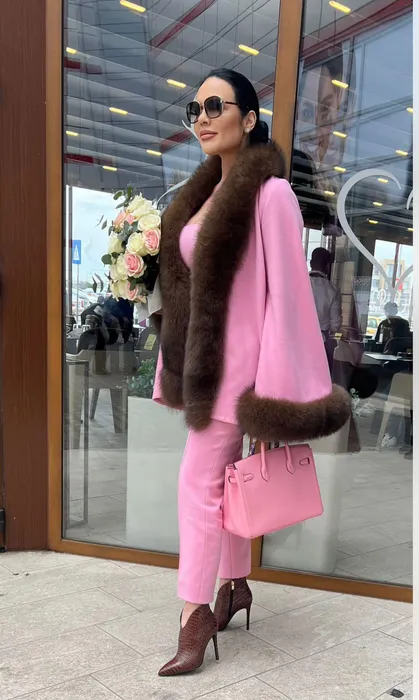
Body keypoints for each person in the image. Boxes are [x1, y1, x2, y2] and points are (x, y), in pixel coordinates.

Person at [153, 69, 350, 677]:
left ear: (249, 117)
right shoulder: (199, 197)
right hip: (205, 368)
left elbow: (286, 299)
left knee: (197, 484)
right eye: (195, 109)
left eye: (216, 105)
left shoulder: (272, 195)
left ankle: (193, 614)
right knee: (225, 483)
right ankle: (234, 585)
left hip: (242, 374)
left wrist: (273, 394)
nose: (202, 118)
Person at [309, 247, 342, 369]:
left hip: (295, 341)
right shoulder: (332, 290)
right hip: (320, 343)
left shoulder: (297, 284)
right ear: (328, 266)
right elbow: (335, 324)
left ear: (310, 263)